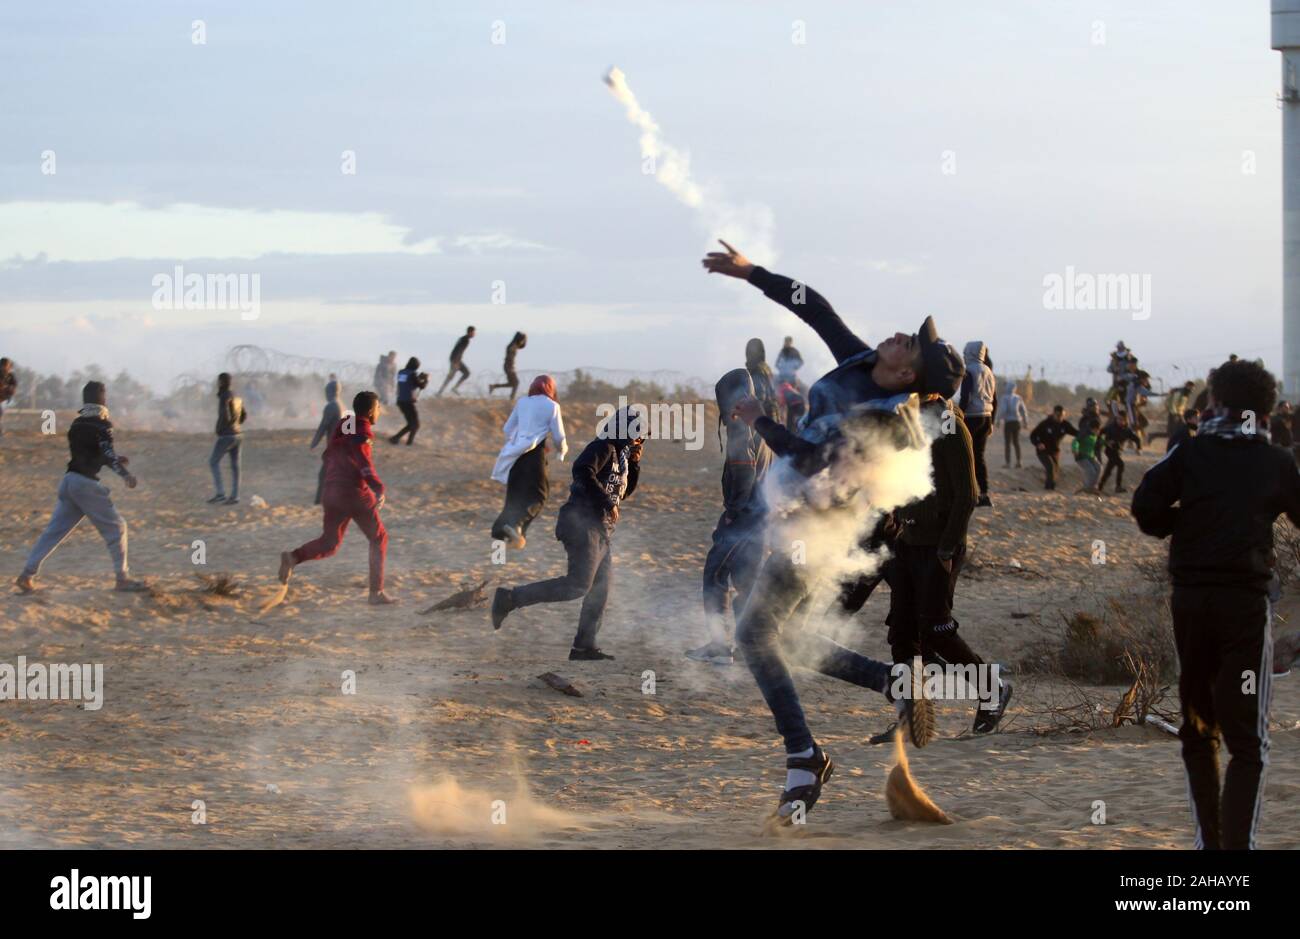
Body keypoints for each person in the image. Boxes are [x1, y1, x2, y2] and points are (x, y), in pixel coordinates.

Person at [698, 240, 963, 823]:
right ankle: (892, 683)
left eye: (909, 343)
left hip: (817, 528)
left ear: (909, 371)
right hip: (807, 519)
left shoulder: (880, 415)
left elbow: (813, 458)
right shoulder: (864, 363)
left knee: (753, 637)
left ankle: (805, 758)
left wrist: (756, 419)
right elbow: (815, 308)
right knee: (786, 641)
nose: (898, 335)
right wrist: (750, 273)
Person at [1132, 358, 1300, 850]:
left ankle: (1210, 844)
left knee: (1198, 729)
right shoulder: (1275, 461)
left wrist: (1181, 523)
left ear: (1216, 402)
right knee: (1248, 742)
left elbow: (1145, 506)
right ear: (1265, 411)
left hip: (1191, 604)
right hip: (1245, 607)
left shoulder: (1190, 451)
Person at [491, 406, 643, 661]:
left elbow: (622, 493)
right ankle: (509, 598)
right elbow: (582, 470)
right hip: (581, 522)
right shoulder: (603, 446)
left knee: (601, 589)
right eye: (637, 433)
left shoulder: (622, 457)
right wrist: (605, 503)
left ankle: (584, 647)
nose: (639, 439)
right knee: (578, 585)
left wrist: (636, 462)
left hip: (601, 529)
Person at [15, 381, 146, 594]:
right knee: (117, 528)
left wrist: (112, 458)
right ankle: (122, 579)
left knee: (53, 532)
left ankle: (27, 574)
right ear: (103, 399)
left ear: (85, 400)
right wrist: (126, 475)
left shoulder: (77, 424)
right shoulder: (103, 425)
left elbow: (91, 453)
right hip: (86, 485)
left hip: (69, 482)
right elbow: (106, 455)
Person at [686, 369, 772, 666]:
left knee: (715, 575)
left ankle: (720, 647)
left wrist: (734, 513)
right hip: (761, 517)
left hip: (745, 517)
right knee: (746, 581)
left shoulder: (739, 427)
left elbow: (744, 468)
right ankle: (758, 645)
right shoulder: (762, 424)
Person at [280, 391, 395, 606]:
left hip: (331, 490)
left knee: (330, 543)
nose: (380, 411)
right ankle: (376, 593)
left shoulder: (347, 423)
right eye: (379, 408)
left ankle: (293, 557)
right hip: (354, 492)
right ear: (371, 410)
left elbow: (331, 452)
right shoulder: (362, 429)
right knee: (379, 538)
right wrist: (378, 487)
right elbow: (362, 459)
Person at [490, 374, 568, 549]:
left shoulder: (522, 402)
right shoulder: (552, 406)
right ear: (551, 389)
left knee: (513, 500)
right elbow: (559, 436)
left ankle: (499, 554)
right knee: (539, 495)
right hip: (535, 457)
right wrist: (561, 453)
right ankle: (516, 526)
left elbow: (507, 428)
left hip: (516, 457)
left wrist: (519, 442)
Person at [959, 341, 996, 507]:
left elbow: (965, 398)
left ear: (970, 353)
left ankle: (968, 493)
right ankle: (984, 493)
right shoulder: (989, 371)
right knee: (979, 457)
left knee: (965, 456)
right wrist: (992, 422)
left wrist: (958, 415)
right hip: (986, 417)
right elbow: (994, 398)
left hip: (972, 417)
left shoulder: (969, 372)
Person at [207, 373, 246, 505]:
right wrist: (235, 424)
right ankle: (235, 496)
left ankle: (220, 493)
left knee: (213, 462)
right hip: (239, 434)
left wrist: (222, 428)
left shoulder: (224, 396)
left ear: (222, 382)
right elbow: (243, 416)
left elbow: (226, 415)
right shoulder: (237, 396)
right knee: (236, 467)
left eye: (218, 381)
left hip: (227, 435)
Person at [311, 375, 343, 504]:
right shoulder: (340, 405)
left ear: (330, 392)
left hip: (335, 447)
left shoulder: (331, 406)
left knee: (323, 475)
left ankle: (319, 501)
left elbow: (323, 426)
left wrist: (314, 442)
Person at [1029, 405, 1078, 491]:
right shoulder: (1045, 423)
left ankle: (1050, 487)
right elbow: (1033, 435)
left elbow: (1076, 433)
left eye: (1062, 415)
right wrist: (1038, 443)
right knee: (1050, 467)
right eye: (1058, 415)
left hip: (1055, 452)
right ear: (1054, 414)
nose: (1060, 417)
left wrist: (1088, 432)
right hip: (1043, 451)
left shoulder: (1065, 424)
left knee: (1055, 470)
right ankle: (1049, 489)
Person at [1098, 411, 1141, 494]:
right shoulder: (1110, 427)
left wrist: (1139, 448)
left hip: (1117, 452)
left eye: (1122, 419)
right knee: (1120, 465)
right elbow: (1098, 432)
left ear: (1125, 420)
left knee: (1109, 469)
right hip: (1109, 451)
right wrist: (1105, 442)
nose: (1120, 421)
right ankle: (1118, 486)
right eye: (1118, 419)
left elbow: (1136, 439)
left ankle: (1100, 486)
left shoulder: (1127, 430)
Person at [389, 357, 428, 445]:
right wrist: (426, 379)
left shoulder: (401, 372)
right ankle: (406, 442)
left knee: (412, 424)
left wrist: (418, 377)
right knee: (415, 425)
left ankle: (398, 439)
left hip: (400, 401)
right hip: (407, 402)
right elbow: (421, 386)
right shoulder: (413, 374)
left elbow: (407, 383)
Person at [745, 337, 783, 424]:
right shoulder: (765, 367)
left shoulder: (757, 370)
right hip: (773, 413)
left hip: (765, 416)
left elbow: (760, 396)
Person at [997, 380, 1028, 468]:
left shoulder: (1004, 398)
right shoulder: (1018, 397)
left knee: (1007, 443)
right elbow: (1023, 411)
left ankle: (1008, 463)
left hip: (1008, 423)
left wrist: (998, 420)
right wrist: (1025, 422)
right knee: (1016, 442)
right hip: (1017, 422)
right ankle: (1019, 461)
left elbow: (1003, 410)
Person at [488, 332, 528, 399]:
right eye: (522, 340)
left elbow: (520, 347)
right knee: (516, 383)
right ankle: (511, 398)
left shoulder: (513, 345)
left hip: (509, 366)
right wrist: (511, 368)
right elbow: (509, 357)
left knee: (512, 383)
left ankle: (493, 386)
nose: (522, 342)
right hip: (509, 367)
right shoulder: (512, 346)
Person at [437, 326, 475, 396]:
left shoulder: (462, 338)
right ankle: (439, 392)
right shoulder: (465, 340)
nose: (474, 334)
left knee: (466, 373)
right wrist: (456, 362)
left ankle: (454, 388)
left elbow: (457, 349)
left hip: (456, 359)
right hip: (455, 360)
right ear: (470, 332)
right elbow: (458, 350)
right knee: (450, 377)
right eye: (473, 332)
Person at [1072, 421, 1103, 494]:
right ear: (1093, 429)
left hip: (1091, 456)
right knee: (1091, 470)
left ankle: (1092, 487)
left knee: (1099, 468)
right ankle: (1088, 488)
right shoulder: (1084, 434)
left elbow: (1100, 442)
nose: (1098, 431)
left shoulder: (1095, 435)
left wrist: (1105, 443)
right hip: (1081, 456)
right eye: (1097, 430)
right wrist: (1075, 449)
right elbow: (1075, 441)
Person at [1165, 381, 1196, 450]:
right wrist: (1175, 414)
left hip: (1180, 414)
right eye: (1191, 388)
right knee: (1173, 432)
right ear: (1187, 386)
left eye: (1193, 389)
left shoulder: (1186, 394)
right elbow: (1173, 403)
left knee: (1179, 430)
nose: (1192, 390)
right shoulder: (1179, 392)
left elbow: (1182, 405)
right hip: (1174, 414)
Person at [0, 357, 17, 438]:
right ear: (3, 366)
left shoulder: (10, 376)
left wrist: (9, 392)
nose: (10, 367)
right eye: (8, 365)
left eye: (10, 366)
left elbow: (14, 385)